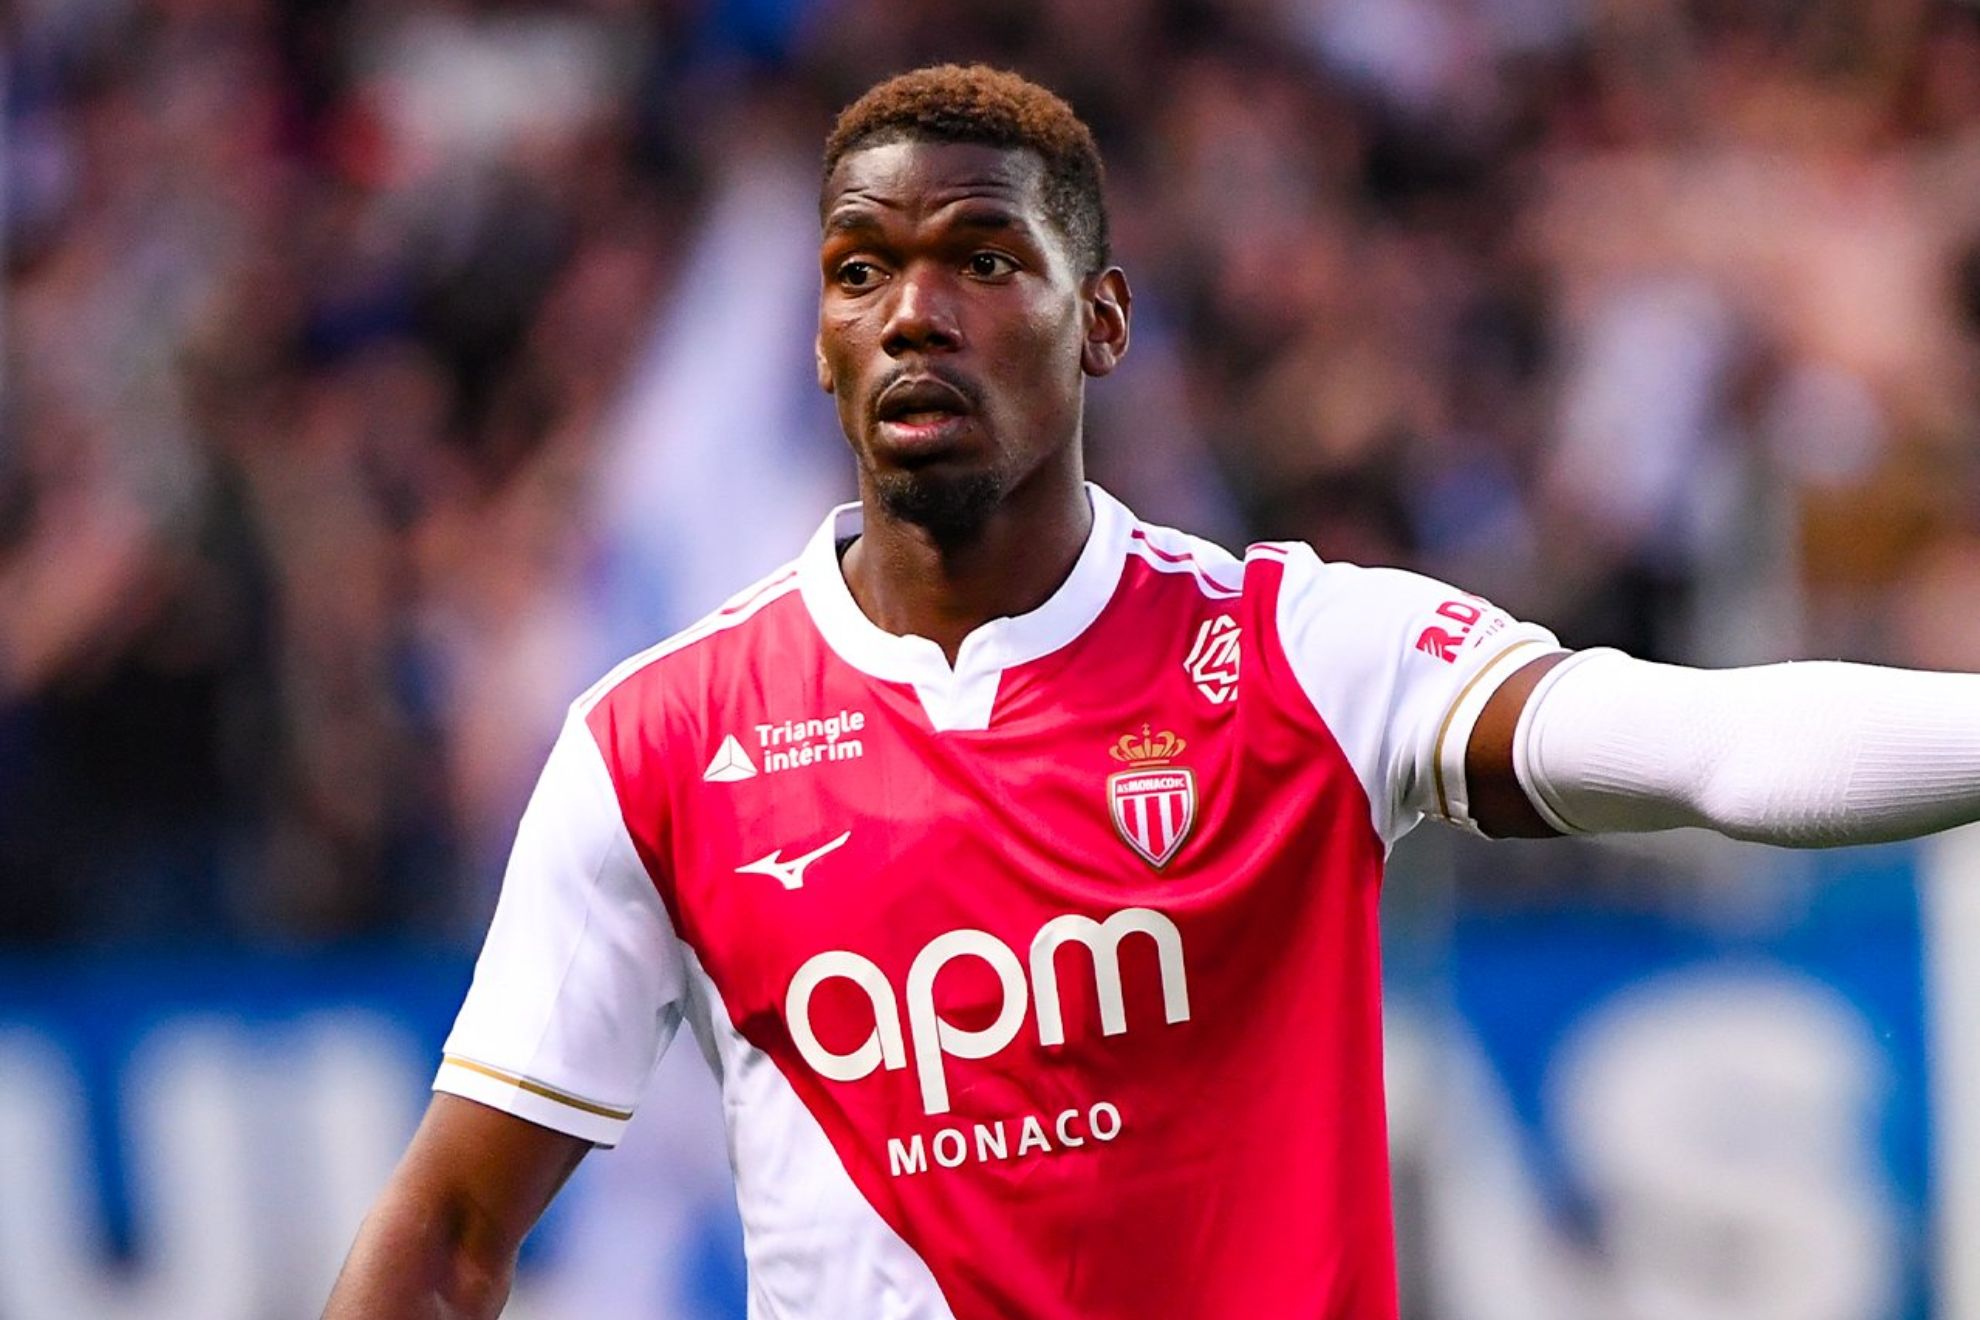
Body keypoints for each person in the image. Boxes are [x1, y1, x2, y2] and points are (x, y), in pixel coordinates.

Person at [324, 64, 1980, 1319]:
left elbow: (1711, 743)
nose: (915, 312)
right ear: (819, 340)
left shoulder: (1290, 653)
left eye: (985, 259)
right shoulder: (659, 741)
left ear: (1102, 319)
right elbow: (458, 1229)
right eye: (860, 269)